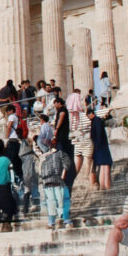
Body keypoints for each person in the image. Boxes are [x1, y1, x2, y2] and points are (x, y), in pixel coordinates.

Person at [52, 97, 76, 229]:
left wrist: (56, 129)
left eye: (55, 103)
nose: (54, 105)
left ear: (58, 103)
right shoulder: (62, 110)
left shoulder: (62, 110)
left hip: (62, 137)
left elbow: (61, 116)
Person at [38, 146, 67, 229]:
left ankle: (63, 218)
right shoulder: (43, 157)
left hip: (58, 182)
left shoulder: (59, 153)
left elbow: (66, 165)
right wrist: (41, 162)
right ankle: (52, 222)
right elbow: (40, 172)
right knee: (51, 202)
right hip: (48, 183)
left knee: (60, 201)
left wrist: (62, 176)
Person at [89, 108, 113, 191]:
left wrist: (97, 144)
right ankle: (104, 186)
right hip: (99, 146)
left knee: (104, 165)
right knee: (103, 166)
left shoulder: (97, 120)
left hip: (101, 146)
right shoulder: (95, 121)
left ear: (91, 113)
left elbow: (98, 133)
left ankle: (105, 186)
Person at [4, 104, 24, 181]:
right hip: (16, 141)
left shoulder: (12, 116)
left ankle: (13, 178)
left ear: (11, 110)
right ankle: (20, 177)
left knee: (10, 160)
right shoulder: (16, 117)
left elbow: (9, 126)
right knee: (17, 161)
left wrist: (6, 136)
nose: (7, 113)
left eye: (8, 111)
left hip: (12, 140)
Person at [72, 109, 93, 182]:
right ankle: (84, 178)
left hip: (81, 139)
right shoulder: (77, 117)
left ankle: (81, 178)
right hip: (82, 139)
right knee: (86, 161)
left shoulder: (74, 117)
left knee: (85, 160)